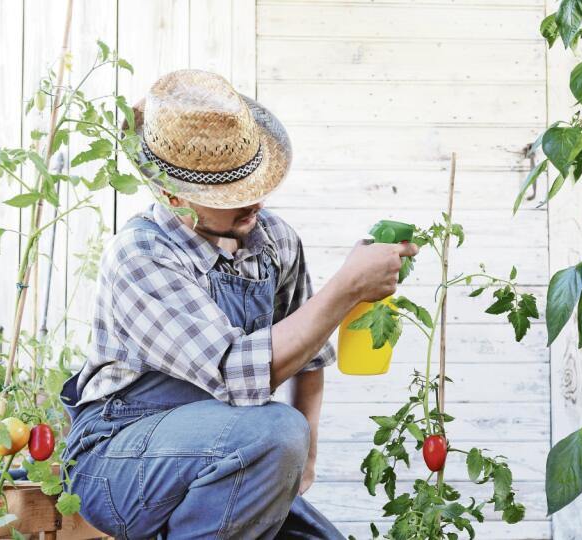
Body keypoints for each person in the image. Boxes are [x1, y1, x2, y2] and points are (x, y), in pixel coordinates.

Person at [59, 69, 418, 539]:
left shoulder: (274, 242)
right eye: (231, 196)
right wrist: (346, 287)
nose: (255, 203)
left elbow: (307, 357)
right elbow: (236, 373)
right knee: (276, 431)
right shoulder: (143, 255)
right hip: (118, 462)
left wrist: (304, 460)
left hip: (224, 452)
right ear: (174, 195)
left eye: (254, 184)